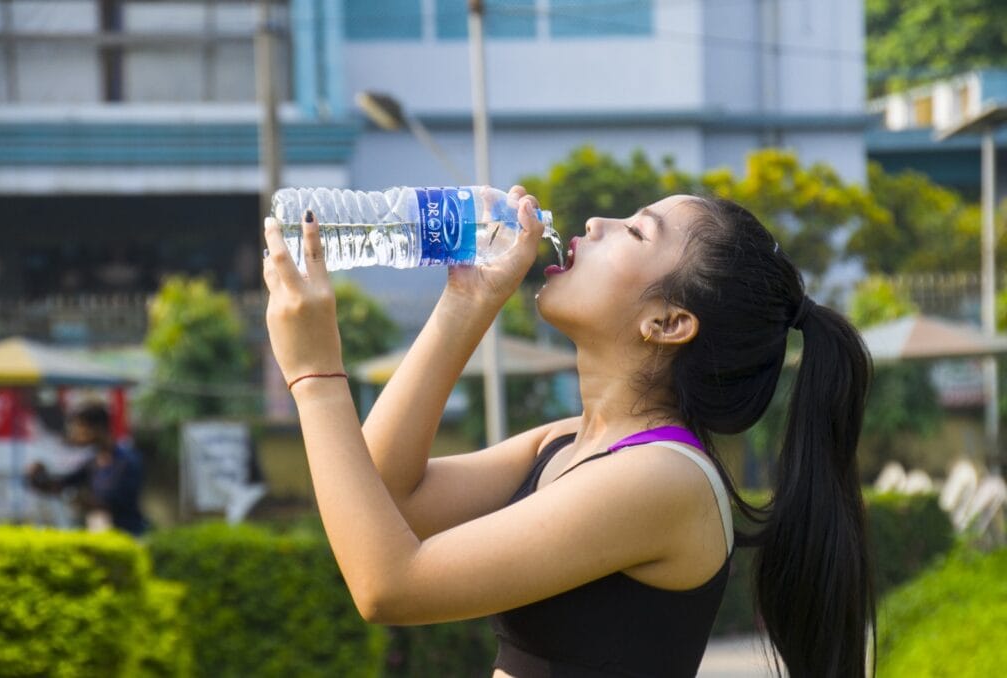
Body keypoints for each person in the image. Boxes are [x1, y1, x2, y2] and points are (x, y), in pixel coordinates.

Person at [261, 186, 874, 678]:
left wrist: (316, 376)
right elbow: (384, 495)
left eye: (636, 231)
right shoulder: (566, 443)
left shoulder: (663, 478)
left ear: (667, 322)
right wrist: (466, 303)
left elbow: (388, 585)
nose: (599, 223)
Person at [26, 401, 148, 537]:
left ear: (97, 428)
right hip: (100, 535)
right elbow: (60, 485)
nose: (74, 433)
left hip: (128, 535)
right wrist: (38, 477)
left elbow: (115, 501)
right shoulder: (93, 462)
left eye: (78, 427)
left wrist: (80, 499)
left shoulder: (127, 460)